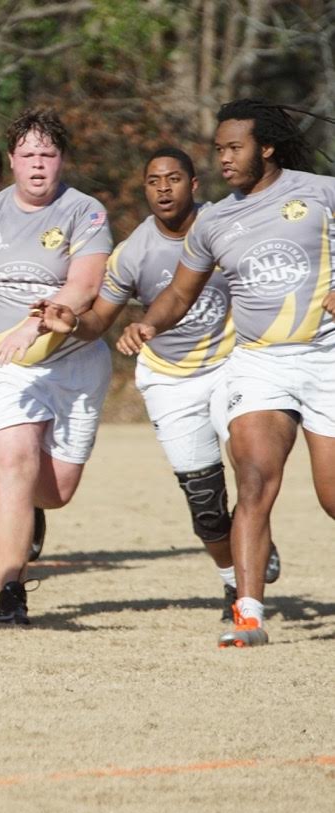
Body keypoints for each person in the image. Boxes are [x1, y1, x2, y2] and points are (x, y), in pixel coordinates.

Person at [118, 100, 335, 648]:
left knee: (333, 498)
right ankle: (248, 616)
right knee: (255, 481)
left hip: (327, 359)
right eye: (218, 150)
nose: (224, 159)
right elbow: (179, 292)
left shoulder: (319, 191)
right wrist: (148, 324)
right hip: (260, 363)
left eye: (234, 147)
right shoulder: (214, 220)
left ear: (266, 146)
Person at [0, 108, 114, 624]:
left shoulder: (86, 211)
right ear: (11, 160)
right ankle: (10, 590)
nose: (37, 165)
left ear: (61, 160)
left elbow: (85, 285)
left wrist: (39, 321)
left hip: (72, 364)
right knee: (11, 462)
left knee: (54, 492)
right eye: (27, 155)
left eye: (47, 155)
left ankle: (27, 511)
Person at [74, 147, 280, 620]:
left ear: (194, 184)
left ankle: (249, 554)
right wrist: (69, 322)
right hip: (170, 379)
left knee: (251, 471)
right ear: (145, 189)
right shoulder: (133, 252)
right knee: (207, 508)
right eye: (153, 181)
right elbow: (99, 320)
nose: (163, 188)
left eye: (173, 178)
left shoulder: (230, 225)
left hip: (236, 364)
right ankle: (233, 576)